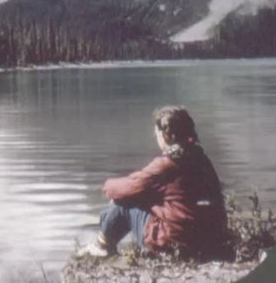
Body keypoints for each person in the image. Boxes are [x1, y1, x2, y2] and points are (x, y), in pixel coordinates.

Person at [83, 106, 228, 260]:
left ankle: (102, 246)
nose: (156, 137)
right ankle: (103, 244)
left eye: (157, 133)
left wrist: (107, 186)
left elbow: (130, 186)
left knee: (124, 204)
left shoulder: (167, 164)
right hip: (211, 238)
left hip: (176, 241)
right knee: (140, 196)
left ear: (166, 136)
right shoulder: (201, 159)